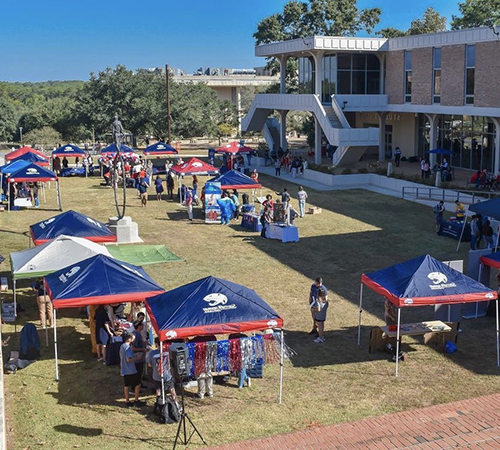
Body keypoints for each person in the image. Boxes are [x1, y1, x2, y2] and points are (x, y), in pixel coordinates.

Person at [147, 338, 177, 403]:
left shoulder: (152, 353)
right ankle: (176, 403)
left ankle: (159, 404)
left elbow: (149, 364)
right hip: (167, 375)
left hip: (156, 375)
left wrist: (155, 366)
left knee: (158, 390)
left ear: (156, 344)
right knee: (171, 389)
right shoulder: (168, 351)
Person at [120, 333, 145, 407]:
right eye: (132, 338)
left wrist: (134, 355)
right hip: (130, 369)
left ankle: (127, 400)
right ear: (129, 339)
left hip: (124, 369)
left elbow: (125, 357)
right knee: (138, 383)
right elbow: (128, 359)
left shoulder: (122, 346)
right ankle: (136, 400)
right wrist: (137, 358)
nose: (133, 340)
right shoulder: (128, 348)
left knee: (126, 385)